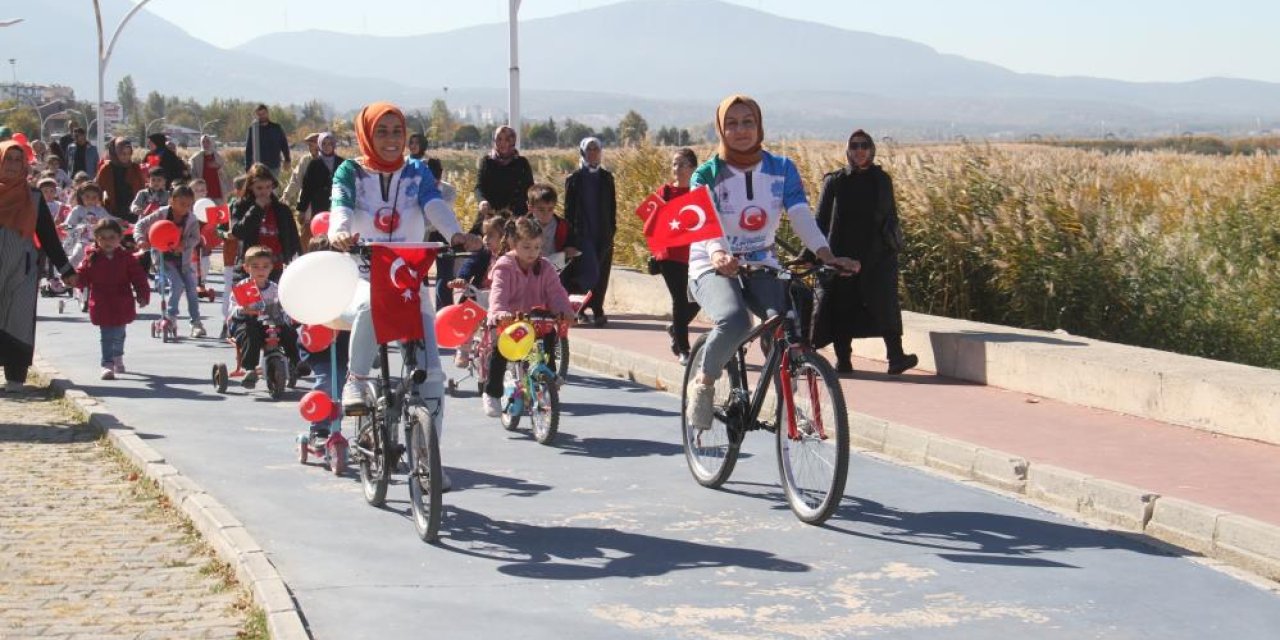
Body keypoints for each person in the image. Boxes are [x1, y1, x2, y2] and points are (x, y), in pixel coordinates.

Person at [328, 102, 480, 490]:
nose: (392, 139)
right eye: (383, 131)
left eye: (398, 131)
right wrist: (339, 233)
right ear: (366, 134)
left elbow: (434, 206)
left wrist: (456, 235)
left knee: (432, 375)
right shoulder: (350, 171)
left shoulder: (417, 172)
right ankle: (357, 380)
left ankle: (428, 460)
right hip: (363, 275)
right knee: (367, 304)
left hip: (409, 282)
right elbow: (340, 207)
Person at [684, 95, 858, 431]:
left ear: (759, 125)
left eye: (747, 121)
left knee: (784, 324)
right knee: (735, 321)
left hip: (761, 259)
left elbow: (800, 215)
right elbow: (706, 221)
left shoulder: (782, 169)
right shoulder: (707, 174)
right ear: (721, 129)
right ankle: (703, 384)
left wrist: (826, 254)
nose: (740, 130)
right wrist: (719, 253)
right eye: (731, 123)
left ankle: (788, 406)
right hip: (710, 260)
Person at [812, 129, 918, 375]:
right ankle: (844, 360)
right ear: (847, 151)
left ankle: (896, 357)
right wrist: (812, 255)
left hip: (877, 256)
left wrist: (891, 249)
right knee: (842, 307)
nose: (859, 151)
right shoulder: (835, 181)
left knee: (885, 304)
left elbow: (890, 218)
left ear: (872, 149)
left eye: (864, 146)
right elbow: (820, 221)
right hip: (841, 257)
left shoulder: (882, 180)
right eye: (854, 146)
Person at [0, 140, 76, 392]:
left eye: (17, 160)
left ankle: (15, 375)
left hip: (22, 267)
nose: (12, 165)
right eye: (7, 159)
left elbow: (48, 235)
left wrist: (66, 269)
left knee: (18, 319)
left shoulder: (32, 197)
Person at [481, 217, 575, 417]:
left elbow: (556, 293)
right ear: (514, 244)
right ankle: (492, 392)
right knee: (501, 352)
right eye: (526, 247)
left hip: (536, 319)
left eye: (537, 247)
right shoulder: (504, 266)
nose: (533, 253)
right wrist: (500, 313)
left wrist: (564, 310)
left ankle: (546, 383)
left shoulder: (546, 267)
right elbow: (498, 293)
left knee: (547, 343)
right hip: (509, 320)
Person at [75, 218, 150, 379]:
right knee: (106, 335)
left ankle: (118, 356)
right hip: (101, 300)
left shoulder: (127, 258)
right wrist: (73, 280)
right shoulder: (92, 258)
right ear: (96, 239)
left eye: (112, 237)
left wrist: (142, 295)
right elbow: (82, 276)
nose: (107, 241)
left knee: (119, 333)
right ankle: (107, 364)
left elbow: (138, 277)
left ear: (119, 238)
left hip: (122, 300)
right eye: (102, 237)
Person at [135, 184, 207, 338]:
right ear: (171, 201)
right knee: (177, 284)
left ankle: (196, 323)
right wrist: (141, 240)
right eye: (182, 204)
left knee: (192, 288)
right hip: (163, 258)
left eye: (189, 205)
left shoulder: (192, 219)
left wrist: (184, 245)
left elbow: (196, 238)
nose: (185, 208)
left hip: (183, 260)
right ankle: (171, 317)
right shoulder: (161, 213)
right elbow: (140, 225)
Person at [652, 147, 702, 364]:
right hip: (669, 255)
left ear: (693, 168)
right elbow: (651, 222)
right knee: (680, 301)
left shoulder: (699, 193)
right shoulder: (664, 192)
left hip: (694, 254)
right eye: (674, 164)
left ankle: (675, 327)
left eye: (682, 164)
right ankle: (683, 348)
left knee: (698, 298)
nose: (677, 169)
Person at [226, 245, 300, 389]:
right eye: (255, 266)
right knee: (250, 333)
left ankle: (297, 361)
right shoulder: (241, 287)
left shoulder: (274, 288)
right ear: (246, 268)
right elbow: (232, 310)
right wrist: (243, 309)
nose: (261, 270)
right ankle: (250, 369)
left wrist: (288, 316)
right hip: (245, 324)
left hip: (269, 324)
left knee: (289, 331)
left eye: (265, 266)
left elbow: (282, 307)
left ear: (271, 268)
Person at [563, 136, 617, 326]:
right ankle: (580, 307)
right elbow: (568, 210)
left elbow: (612, 207)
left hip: (602, 232)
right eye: (589, 149)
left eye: (596, 149)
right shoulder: (574, 179)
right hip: (582, 233)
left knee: (602, 272)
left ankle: (597, 308)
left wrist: (612, 231)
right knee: (588, 271)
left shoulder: (606, 178)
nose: (593, 153)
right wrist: (570, 236)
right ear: (582, 152)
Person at [449, 216, 505, 368]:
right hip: (481, 294)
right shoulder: (483, 254)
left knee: (499, 330)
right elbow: (470, 265)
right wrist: (462, 278)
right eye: (484, 234)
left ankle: (498, 354)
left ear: (504, 238)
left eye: (491, 235)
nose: (486, 238)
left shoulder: (509, 258)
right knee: (469, 318)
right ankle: (463, 350)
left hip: (501, 298)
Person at [231, 164, 301, 276]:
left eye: (268, 187)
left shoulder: (282, 209)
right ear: (250, 187)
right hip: (249, 269)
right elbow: (238, 232)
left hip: (276, 268)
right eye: (259, 188)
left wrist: (295, 262)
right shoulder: (241, 206)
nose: (264, 192)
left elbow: (294, 240)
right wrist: (256, 209)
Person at [473, 125, 533, 228]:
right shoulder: (487, 161)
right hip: (490, 215)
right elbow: (479, 186)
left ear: (513, 141)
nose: (502, 143)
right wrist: (482, 201)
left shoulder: (522, 163)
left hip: (516, 217)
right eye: (499, 139)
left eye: (507, 139)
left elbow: (530, 189)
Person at [425, 156, 458, 309]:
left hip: (443, 232)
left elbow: (440, 213)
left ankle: (444, 310)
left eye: (436, 179)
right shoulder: (415, 190)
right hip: (423, 234)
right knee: (419, 275)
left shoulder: (449, 190)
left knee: (445, 276)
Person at [298, 132, 342, 235]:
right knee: (320, 234)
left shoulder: (341, 163)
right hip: (319, 205)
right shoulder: (314, 164)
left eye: (329, 144)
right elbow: (307, 188)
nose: (327, 147)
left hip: (337, 204)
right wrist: (302, 210)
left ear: (334, 145)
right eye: (324, 144)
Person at [63, 182, 114, 268]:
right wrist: (80, 228)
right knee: (76, 256)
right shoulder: (77, 210)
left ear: (99, 198)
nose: (90, 200)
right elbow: (67, 226)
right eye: (87, 196)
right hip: (81, 240)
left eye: (94, 197)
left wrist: (120, 221)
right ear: (81, 196)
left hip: (98, 242)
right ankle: (67, 274)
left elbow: (110, 220)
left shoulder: (100, 210)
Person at [95, 137, 145, 223]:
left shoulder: (135, 168)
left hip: (133, 210)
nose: (126, 156)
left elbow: (142, 189)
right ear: (115, 153)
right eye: (122, 153)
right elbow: (98, 189)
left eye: (129, 153)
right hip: (113, 211)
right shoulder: (107, 169)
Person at [525, 183, 579, 261]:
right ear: (530, 208)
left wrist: (568, 250)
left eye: (550, 209)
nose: (546, 213)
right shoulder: (524, 227)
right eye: (541, 209)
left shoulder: (562, 226)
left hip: (555, 265)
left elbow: (570, 243)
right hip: (531, 265)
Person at [243, 104, 290, 176]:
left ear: (267, 113)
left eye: (263, 113)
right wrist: (247, 168)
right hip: (258, 167)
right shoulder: (253, 129)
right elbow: (248, 150)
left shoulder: (276, 128)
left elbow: (284, 144)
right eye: (259, 114)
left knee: (273, 187)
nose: (262, 116)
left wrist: (287, 159)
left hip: (274, 166)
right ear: (256, 115)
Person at [282, 133, 320, 209]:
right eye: (308, 145)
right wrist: (286, 195)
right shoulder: (305, 160)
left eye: (311, 145)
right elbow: (296, 179)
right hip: (305, 198)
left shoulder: (329, 160)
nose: (309, 148)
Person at [187, 135, 229, 203]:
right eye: (203, 142)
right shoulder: (195, 159)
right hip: (202, 193)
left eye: (207, 141)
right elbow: (193, 176)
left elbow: (226, 175)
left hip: (218, 192)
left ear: (211, 143)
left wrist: (219, 167)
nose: (205, 144)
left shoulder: (219, 157)